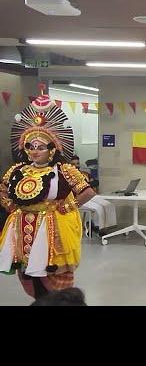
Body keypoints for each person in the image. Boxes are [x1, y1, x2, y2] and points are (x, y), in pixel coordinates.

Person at [0, 85, 96, 299]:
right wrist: (9, 205)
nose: (34, 151)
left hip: (53, 226)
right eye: (30, 146)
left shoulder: (65, 169)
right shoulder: (17, 170)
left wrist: (67, 206)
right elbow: (3, 189)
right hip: (23, 225)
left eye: (40, 147)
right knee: (27, 272)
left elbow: (87, 192)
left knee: (50, 271)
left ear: (52, 149)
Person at [70, 155, 117, 236]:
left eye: (77, 163)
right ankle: (99, 228)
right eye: (73, 164)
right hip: (80, 199)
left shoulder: (85, 174)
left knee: (109, 204)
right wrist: (88, 185)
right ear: (70, 165)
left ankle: (105, 226)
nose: (76, 165)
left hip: (91, 196)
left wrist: (87, 185)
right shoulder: (69, 176)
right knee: (99, 207)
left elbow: (95, 182)